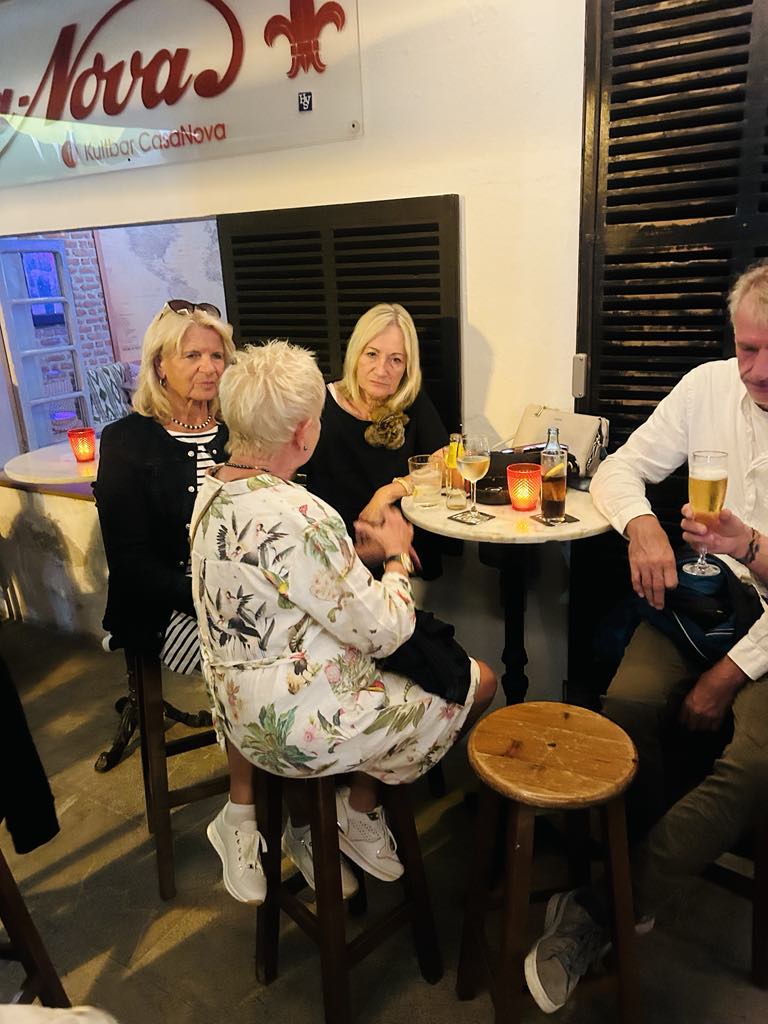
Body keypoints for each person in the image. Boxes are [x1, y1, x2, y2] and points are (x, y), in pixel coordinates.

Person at [523, 261, 768, 1014]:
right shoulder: (708, 386)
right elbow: (620, 469)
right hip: (702, 604)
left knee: (753, 766)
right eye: (747, 348)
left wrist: (731, 669)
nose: (755, 370)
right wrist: (643, 527)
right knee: (624, 708)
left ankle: (604, 907)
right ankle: (648, 878)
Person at [190, 340, 497, 903]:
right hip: (296, 729)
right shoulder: (303, 513)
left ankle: (329, 817)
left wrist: (350, 559)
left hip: (236, 714)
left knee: (424, 661)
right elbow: (388, 629)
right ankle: (355, 809)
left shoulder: (213, 490)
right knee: (475, 680)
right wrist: (398, 557)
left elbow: (279, 578)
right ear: (304, 432)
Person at [94, 301, 267, 905]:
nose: (208, 367)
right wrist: (209, 598)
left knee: (289, 646)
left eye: (217, 355)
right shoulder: (126, 441)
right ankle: (242, 816)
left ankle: (299, 805)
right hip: (164, 605)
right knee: (250, 659)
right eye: (191, 354)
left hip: (241, 596)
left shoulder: (240, 430)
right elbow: (132, 562)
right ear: (159, 365)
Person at [304, 303, 449, 574]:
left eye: (396, 360)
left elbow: (445, 460)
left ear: (407, 367)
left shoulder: (412, 401)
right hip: (334, 551)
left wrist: (388, 492)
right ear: (355, 354)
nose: (382, 370)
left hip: (398, 541)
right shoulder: (320, 401)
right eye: (372, 354)